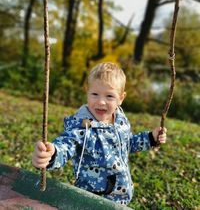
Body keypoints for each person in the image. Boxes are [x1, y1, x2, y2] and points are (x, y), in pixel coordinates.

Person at [32, 62, 167, 205]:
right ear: (87, 92)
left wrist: (151, 138)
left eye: (109, 96)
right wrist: (52, 154)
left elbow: (128, 144)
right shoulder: (82, 127)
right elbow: (67, 145)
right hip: (92, 199)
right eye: (95, 94)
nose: (101, 102)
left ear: (121, 98)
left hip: (121, 196)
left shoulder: (120, 119)